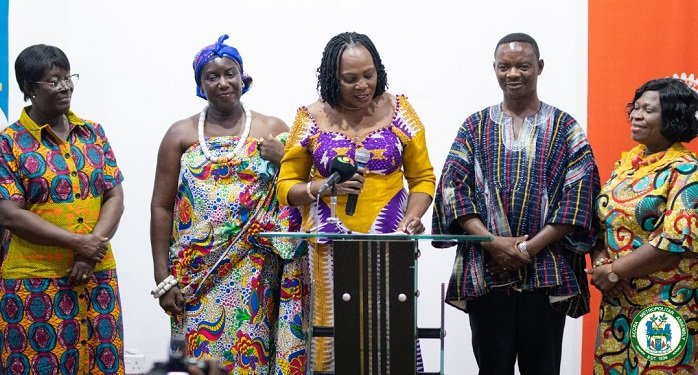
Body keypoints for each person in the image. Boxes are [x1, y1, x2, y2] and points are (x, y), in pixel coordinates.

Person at [432, 32, 600, 375]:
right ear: (494, 68)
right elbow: (452, 188)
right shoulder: (474, 127)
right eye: (504, 66)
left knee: (543, 368)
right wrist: (493, 243)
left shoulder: (566, 128)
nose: (513, 73)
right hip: (486, 270)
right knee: (492, 368)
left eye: (522, 65)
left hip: (547, 271)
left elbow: (580, 195)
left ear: (539, 67)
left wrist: (526, 249)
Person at [277, 31, 436, 372]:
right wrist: (320, 188)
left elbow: (422, 178)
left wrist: (411, 218)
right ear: (331, 80)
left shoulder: (400, 113)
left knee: (392, 332)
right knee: (334, 335)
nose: (362, 85)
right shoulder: (310, 119)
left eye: (369, 74)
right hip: (328, 247)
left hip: (391, 242)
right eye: (350, 79)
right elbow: (286, 186)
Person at [149, 34, 306, 373]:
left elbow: (298, 193)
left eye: (230, 73)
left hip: (256, 274)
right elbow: (161, 208)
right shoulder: (180, 134)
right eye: (212, 76)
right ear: (200, 84)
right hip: (195, 278)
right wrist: (163, 279)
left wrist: (285, 159)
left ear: (243, 77)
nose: (223, 82)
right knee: (200, 364)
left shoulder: (272, 128)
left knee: (253, 358)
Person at [0, 44, 125, 373]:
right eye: (53, 81)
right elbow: (9, 214)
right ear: (30, 88)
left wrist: (89, 250)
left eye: (68, 77)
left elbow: (114, 195)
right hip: (35, 283)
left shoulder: (93, 133)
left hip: (95, 275)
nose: (65, 86)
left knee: (100, 363)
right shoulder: (10, 142)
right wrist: (76, 243)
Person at [587, 78, 698, 374]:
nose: (636, 115)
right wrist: (601, 263)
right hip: (618, 305)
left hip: (664, 307)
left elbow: (673, 245)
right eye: (634, 108)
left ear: (672, 119)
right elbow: (602, 222)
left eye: (647, 110)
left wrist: (613, 272)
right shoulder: (627, 166)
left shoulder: (686, 171)